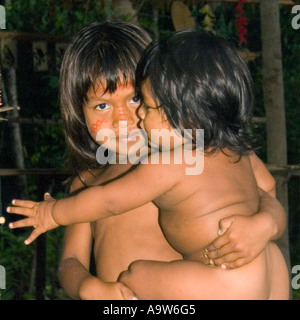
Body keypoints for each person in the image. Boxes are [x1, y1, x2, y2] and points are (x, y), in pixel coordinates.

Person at [8, 24, 287, 300]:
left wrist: (265, 225)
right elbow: (70, 260)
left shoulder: (203, 152)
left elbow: (263, 190)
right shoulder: (87, 183)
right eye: (102, 105)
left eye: (137, 98)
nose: (124, 119)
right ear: (79, 114)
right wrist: (87, 287)